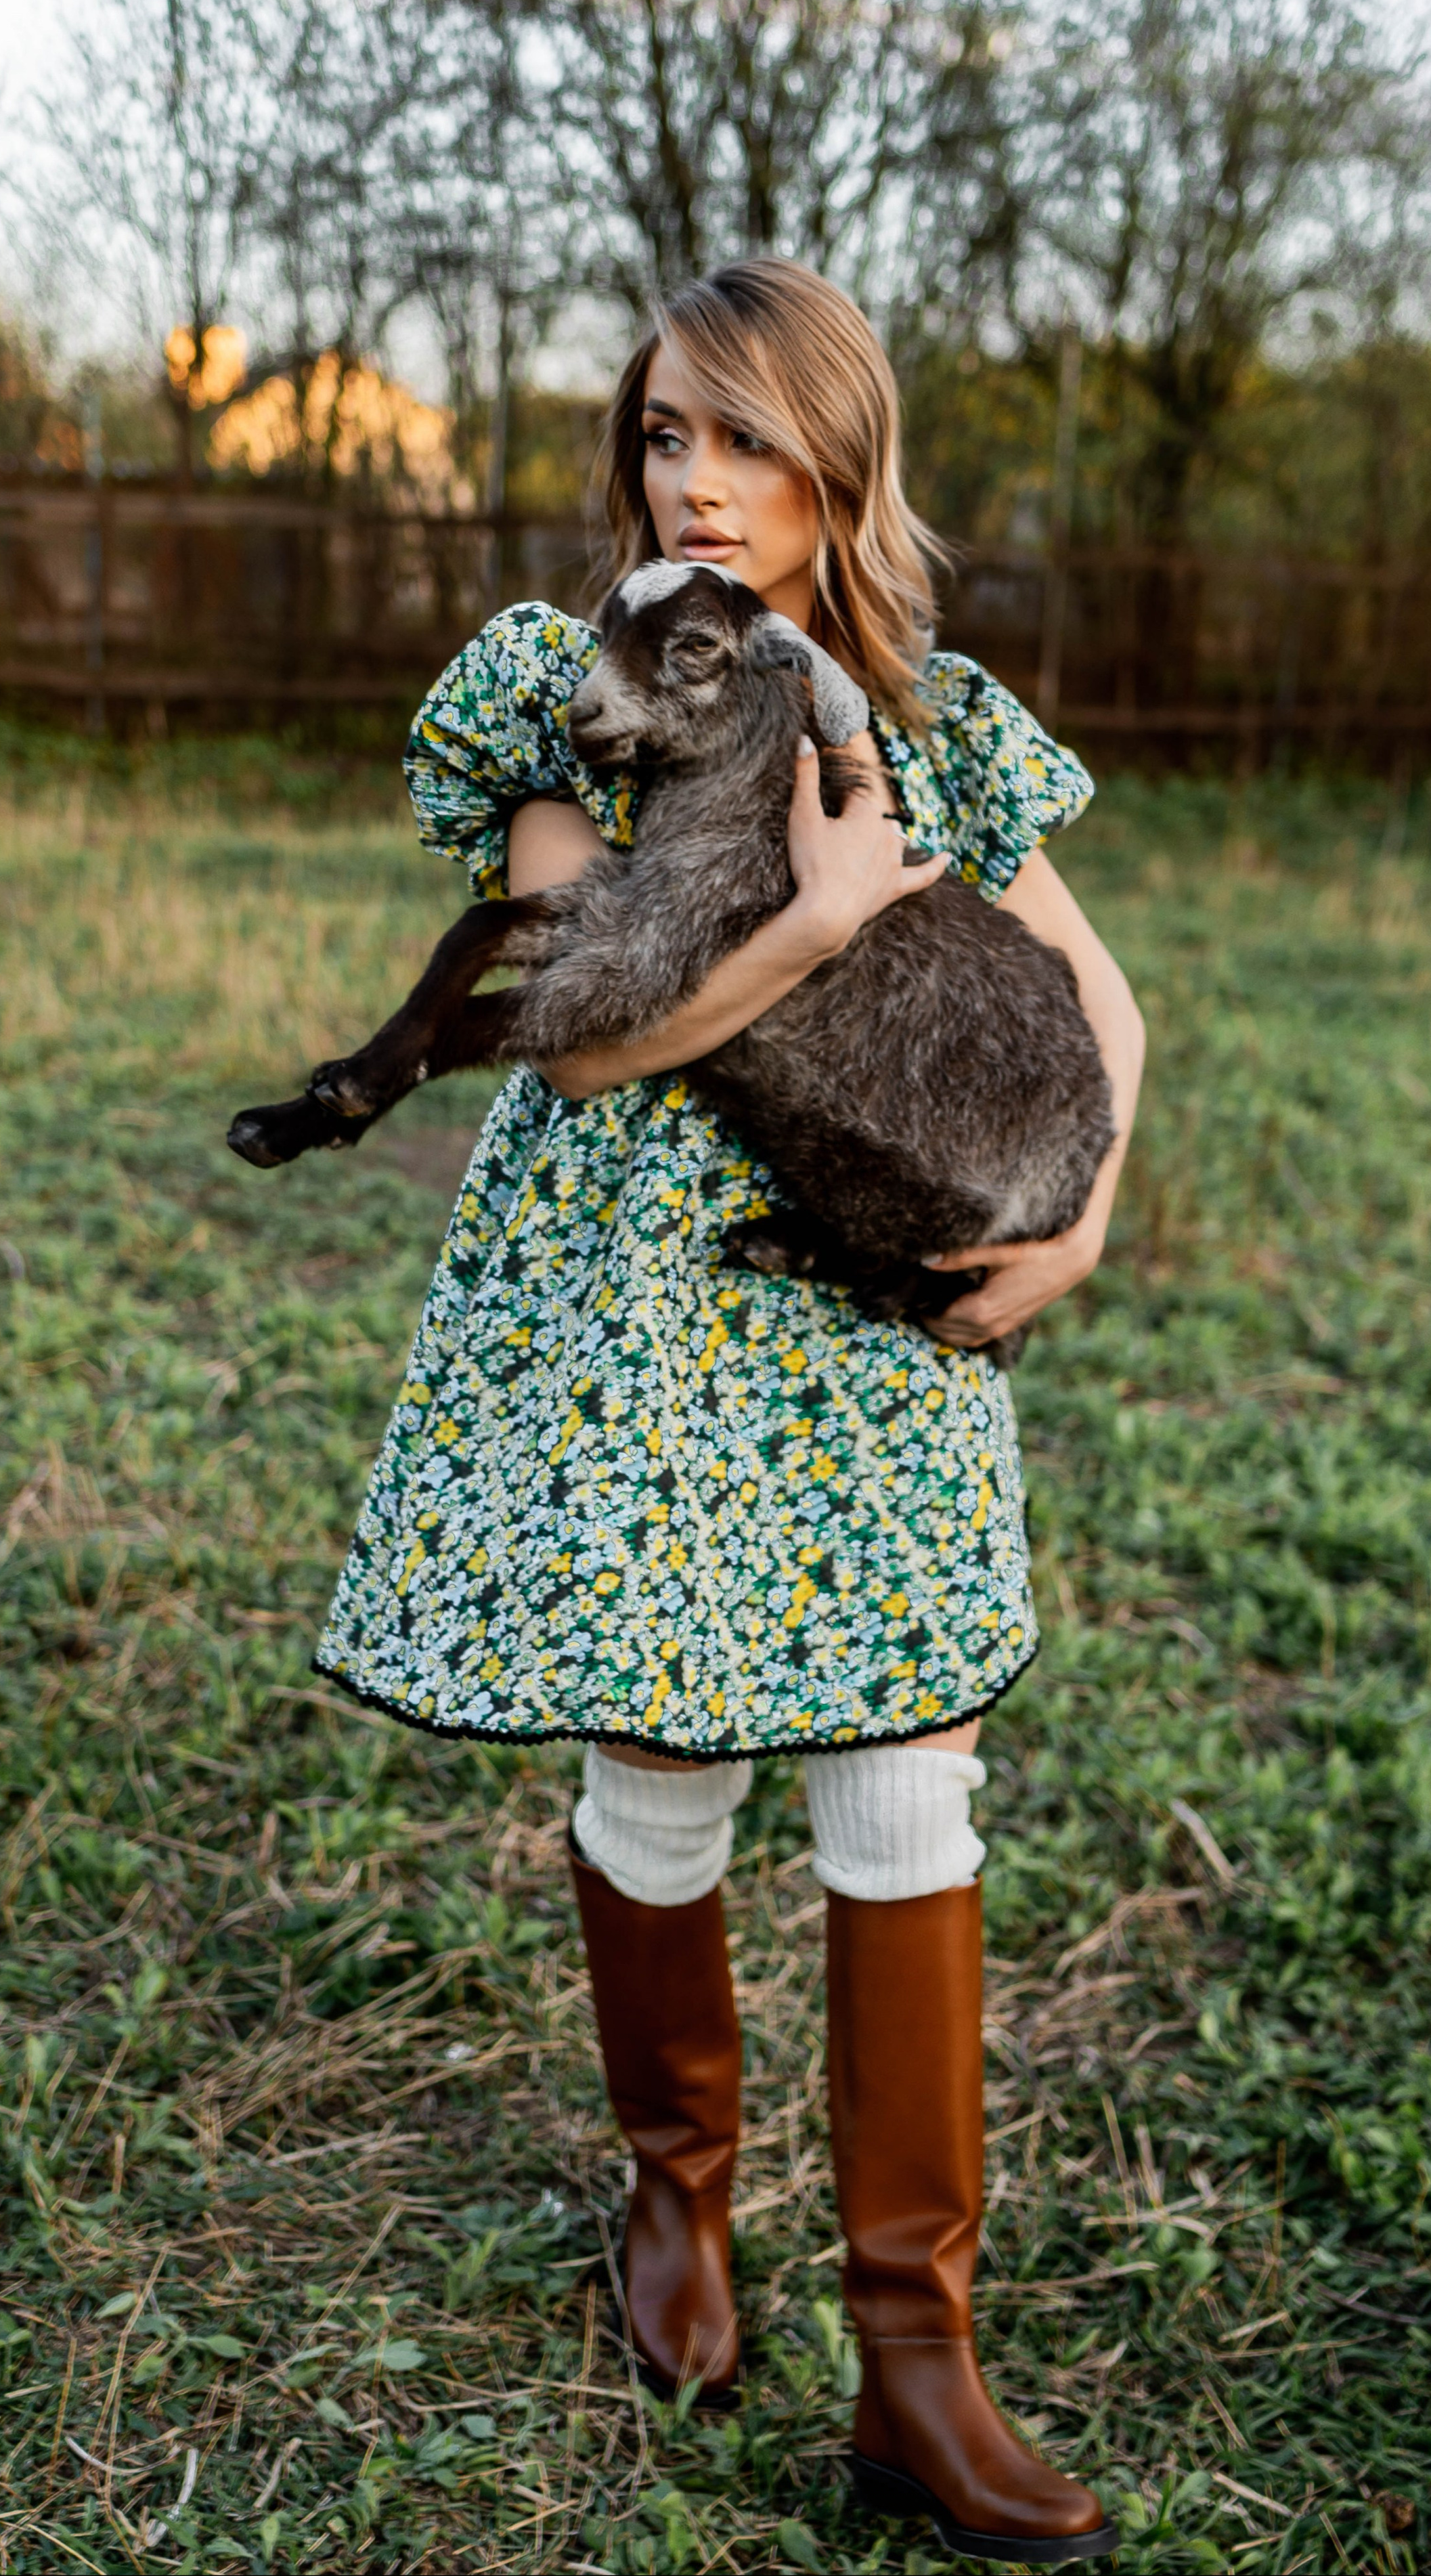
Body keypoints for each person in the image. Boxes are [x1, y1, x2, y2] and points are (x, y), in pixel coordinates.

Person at [315, 259, 1144, 2564]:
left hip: (861, 1305)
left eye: (747, 441)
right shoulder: (560, 701)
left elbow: (1104, 991)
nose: (694, 479)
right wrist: (810, 925)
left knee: (908, 1782)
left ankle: (917, 2356)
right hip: (641, 1324)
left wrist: (1082, 1220)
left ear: (837, 465)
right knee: (667, 1763)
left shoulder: (935, 713)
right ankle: (676, 2197)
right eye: (667, 431)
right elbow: (580, 1031)